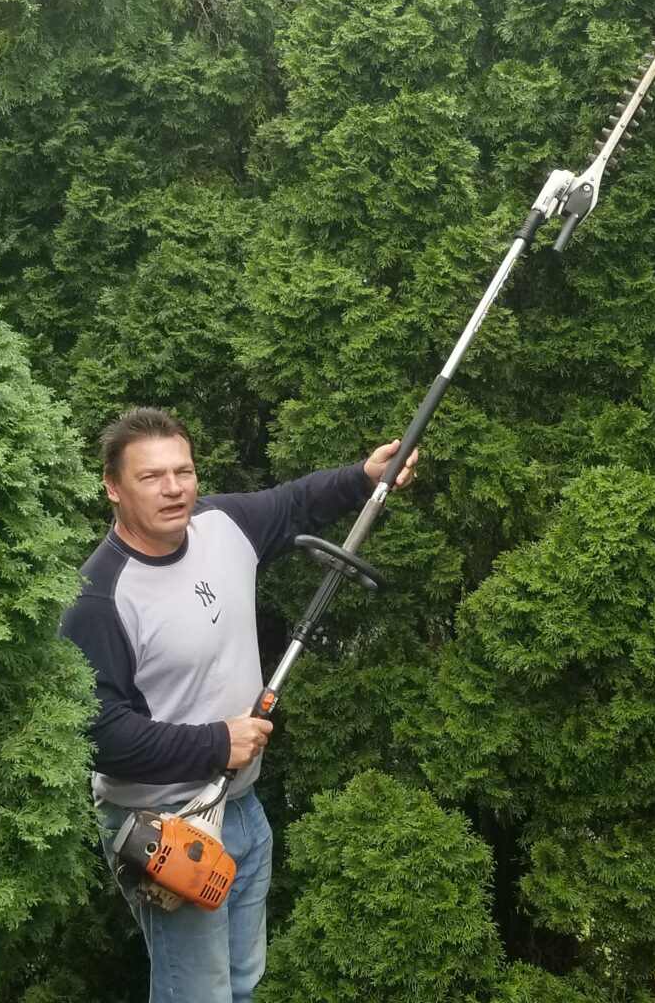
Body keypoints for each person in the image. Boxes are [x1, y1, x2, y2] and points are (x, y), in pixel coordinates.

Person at [60, 406, 417, 1003]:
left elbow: (294, 502)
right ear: (113, 488)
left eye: (184, 471)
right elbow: (97, 734)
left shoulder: (221, 524)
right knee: (196, 995)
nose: (173, 488)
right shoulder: (100, 598)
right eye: (151, 477)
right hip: (164, 824)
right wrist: (216, 742)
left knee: (243, 983)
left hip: (242, 805)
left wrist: (362, 475)